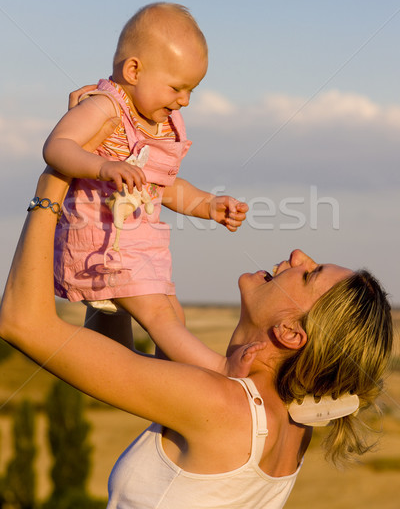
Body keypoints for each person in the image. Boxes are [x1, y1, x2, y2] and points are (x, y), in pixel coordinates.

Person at [0, 166, 393, 509]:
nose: (297, 255)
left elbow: (21, 321)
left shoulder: (223, 406)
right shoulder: (289, 419)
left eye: (309, 273)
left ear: (291, 332)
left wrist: (54, 181)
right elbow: (113, 368)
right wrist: (112, 242)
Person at [42, 3, 249, 370]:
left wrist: (207, 205)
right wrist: (103, 165)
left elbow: (162, 186)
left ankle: (166, 386)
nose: (184, 100)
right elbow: (57, 147)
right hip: (102, 242)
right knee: (161, 316)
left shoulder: (161, 124)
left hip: (142, 247)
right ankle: (222, 372)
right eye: (177, 87)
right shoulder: (105, 107)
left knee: (169, 317)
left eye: (192, 90)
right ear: (134, 70)